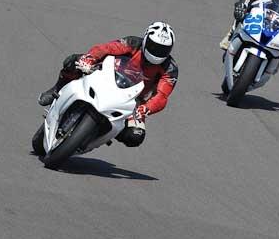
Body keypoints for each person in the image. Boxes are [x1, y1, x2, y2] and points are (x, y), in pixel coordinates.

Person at [38, 22, 178, 148]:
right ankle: (58, 88)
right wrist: (90, 59)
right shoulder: (133, 43)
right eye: (154, 46)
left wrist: (145, 109)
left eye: (162, 50)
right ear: (146, 40)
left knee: (135, 137)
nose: (157, 52)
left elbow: (162, 95)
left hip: (132, 101)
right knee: (72, 61)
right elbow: (105, 48)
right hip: (106, 77)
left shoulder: (170, 68)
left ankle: (98, 133)